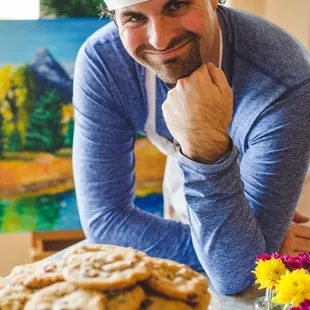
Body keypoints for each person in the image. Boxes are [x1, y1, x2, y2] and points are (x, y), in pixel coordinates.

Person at [72, 0, 310, 294]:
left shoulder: (285, 80)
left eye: (176, 5)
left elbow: (235, 275)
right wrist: (252, 246)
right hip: (198, 202)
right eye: (134, 17)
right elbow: (105, 222)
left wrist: (204, 144)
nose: (159, 39)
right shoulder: (104, 63)